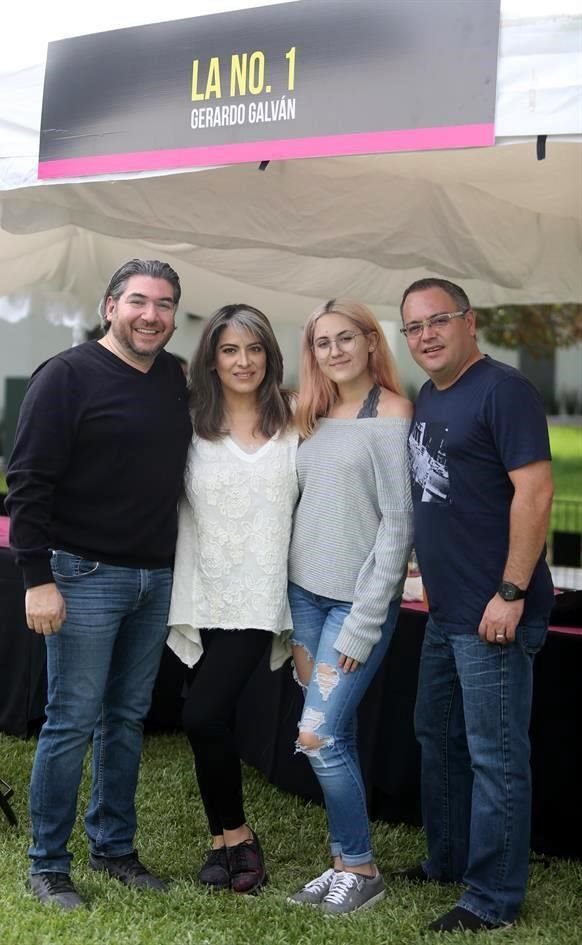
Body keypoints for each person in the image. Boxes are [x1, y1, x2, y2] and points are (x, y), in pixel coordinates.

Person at [5, 259, 192, 910]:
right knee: (72, 720)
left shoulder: (176, 378)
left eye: (164, 304)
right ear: (110, 306)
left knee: (127, 719)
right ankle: (49, 864)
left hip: (156, 576)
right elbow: (27, 481)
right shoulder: (66, 375)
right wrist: (37, 578)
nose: (151, 314)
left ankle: (114, 848)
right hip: (82, 573)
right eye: (138, 300)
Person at [399, 277, 554, 934]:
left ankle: (491, 897)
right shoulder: (430, 395)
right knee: (436, 736)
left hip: (495, 610)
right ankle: (449, 859)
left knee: (493, 753)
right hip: (446, 609)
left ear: (471, 321)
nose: (426, 335)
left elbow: (537, 493)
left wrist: (511, 592)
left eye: (439, 320)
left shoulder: (505, 390)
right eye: (413, 327)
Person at [286, 299, 413, 915]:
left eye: (345, 338)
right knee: (337, 733)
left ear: (369, 342)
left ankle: (361, 868)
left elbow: (399, 525)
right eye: (320, 342)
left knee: (317, 736)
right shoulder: (310, 415)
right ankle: (341, 862)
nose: (333, 351)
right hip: (304, 600)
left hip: (353, 607)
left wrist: (364, 623)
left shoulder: (392, 413)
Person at [167, 304, 298, 894]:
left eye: (254, 350)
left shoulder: (298, 418)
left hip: (262, 594)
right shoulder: (188, 421)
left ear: (269, 357)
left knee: (201, 713)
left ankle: (239, 836)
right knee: (207, 715)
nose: (243, 361)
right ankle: (222, 843)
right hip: (202, 591)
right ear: (212, 359)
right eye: (229, 350)